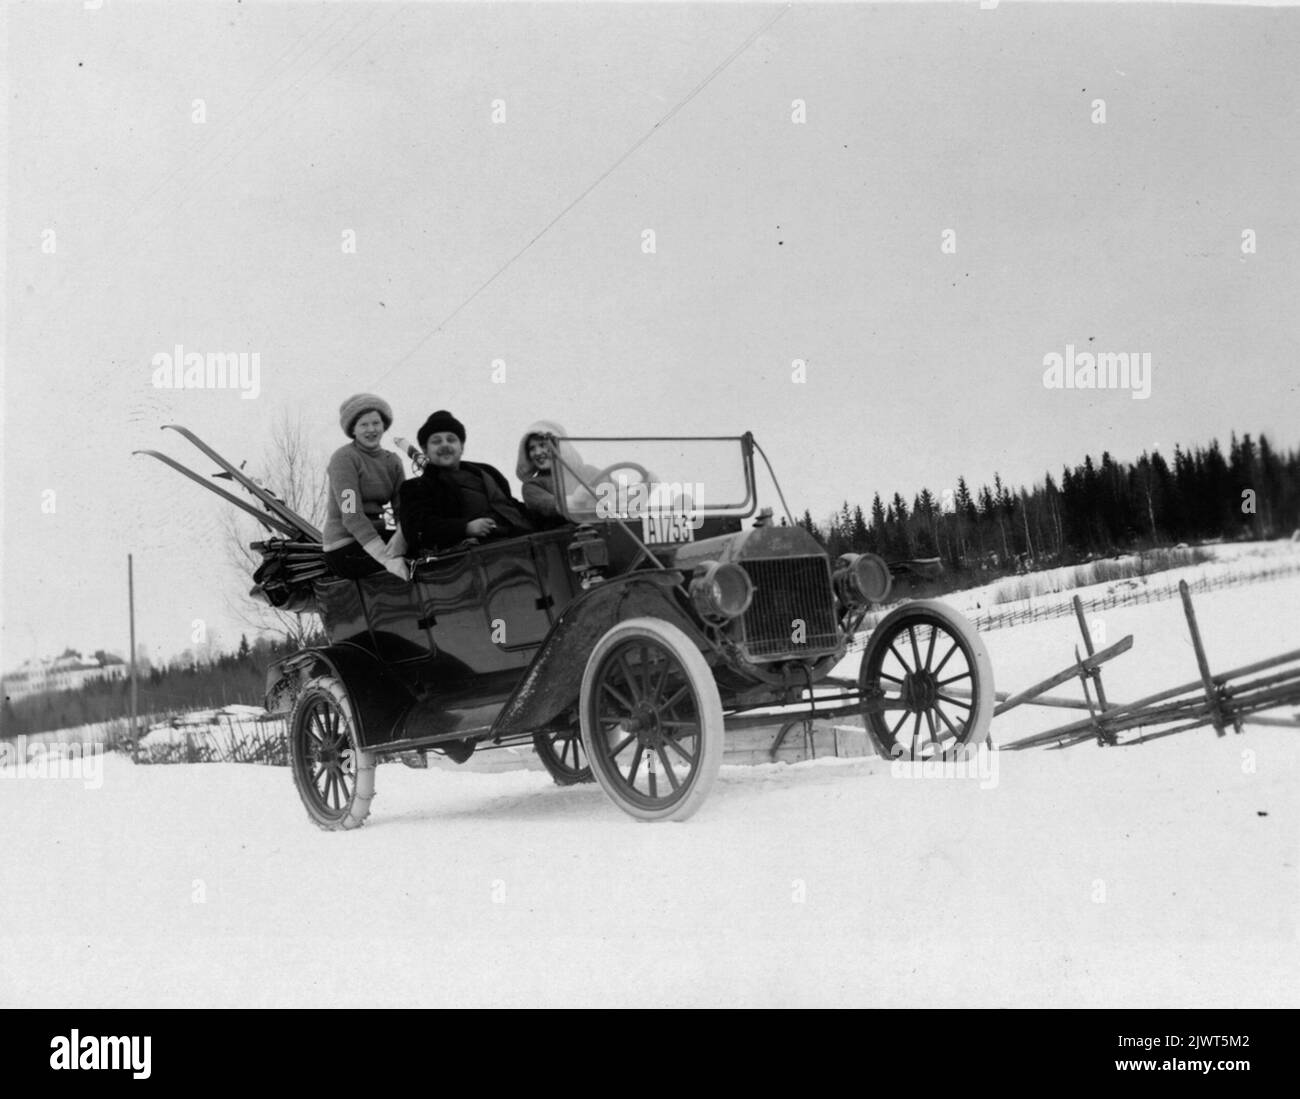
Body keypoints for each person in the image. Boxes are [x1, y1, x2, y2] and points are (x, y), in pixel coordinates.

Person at [399, 409, 535, 556]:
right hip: (474, 558)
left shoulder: (487, 472)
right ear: (425, 450)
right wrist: (465, 528)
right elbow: (417, 530)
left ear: (461, 446)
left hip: (521, 541)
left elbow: (511, 505)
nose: (445, 445)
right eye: (436, 441)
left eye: (451, 439)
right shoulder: (416, 487)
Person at [323, 393, 409, 579]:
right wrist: (387, 559)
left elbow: (402, 508)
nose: (371, 429)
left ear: (384, 425)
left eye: (376, 423)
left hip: (377, 536)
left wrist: (402, 536)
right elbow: (351, 515)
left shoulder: (392, 461)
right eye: (363, 424)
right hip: (344, 546)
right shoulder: (344, 459)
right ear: (353, 430)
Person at [514, 420, 600, 526]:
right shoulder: (532, 486)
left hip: (606, 527)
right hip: (569, 537)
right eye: (532, 448)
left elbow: (619, 491)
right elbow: (549, 505)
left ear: (559, 445)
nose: (537, 453)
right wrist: (575, 500)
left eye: (542, 445)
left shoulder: (588, 471)